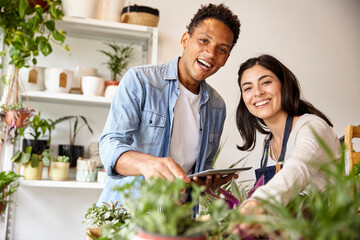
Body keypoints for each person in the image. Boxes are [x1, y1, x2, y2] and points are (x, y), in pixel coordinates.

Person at [97, 3, 241, 205]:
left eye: (222, 49)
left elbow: (200, 171)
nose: (210, 53)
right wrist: (146, 164)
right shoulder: (141, 81)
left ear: (226, 59)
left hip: (178, 220)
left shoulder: (217, 106)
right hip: (128, 217)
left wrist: (205, 184)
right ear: (185, 39)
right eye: (203, 40)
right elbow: (110, 145)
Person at [235, 54, 341, 228]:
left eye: (266, 82)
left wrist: (259, 203)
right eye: (248, 88)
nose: (258, 92)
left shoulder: (312, 127)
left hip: (328, 230)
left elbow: (299, 168)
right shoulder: (268, 143)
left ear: (284, 85)